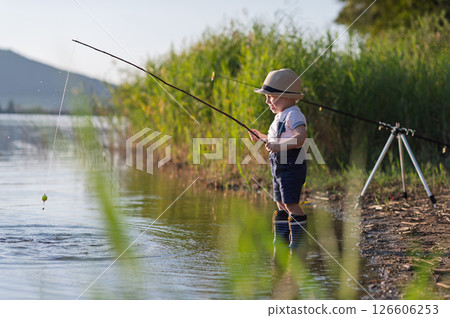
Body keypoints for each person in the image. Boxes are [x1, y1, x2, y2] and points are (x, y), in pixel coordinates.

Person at [249, 68, 308, 248]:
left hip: (291, 164)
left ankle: (298, 241)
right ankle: (281, 239)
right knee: (280, 202)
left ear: (288, 96)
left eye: (271, 97)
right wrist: (262, 137)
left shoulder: (294, 114)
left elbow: (300, 137)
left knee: (290, 203)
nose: (267, 101)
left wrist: (278, 146)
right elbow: (276, 139)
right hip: (278, 167)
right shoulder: (278, 117)